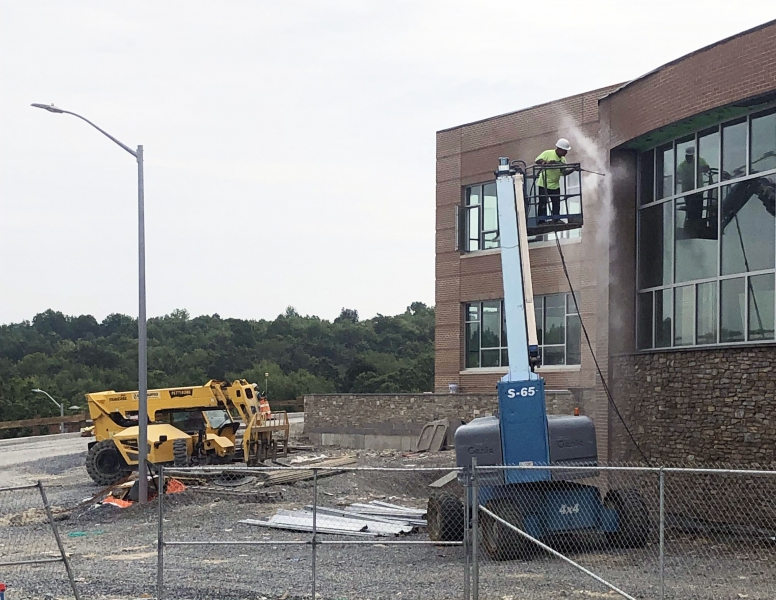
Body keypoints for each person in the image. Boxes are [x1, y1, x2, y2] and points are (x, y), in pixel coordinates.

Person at [535, 138, 572, 220]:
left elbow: (564, 172)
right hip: (544, 184)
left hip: (555, 185)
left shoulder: (563, 160)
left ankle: (556, 220)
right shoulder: (548, 153)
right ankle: (541, 220)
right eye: (565, 150)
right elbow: (537, 160)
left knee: (556, 204)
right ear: (559, 149)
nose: (566, 152)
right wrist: (546, 162)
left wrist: (573, 169)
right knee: (543, 203)